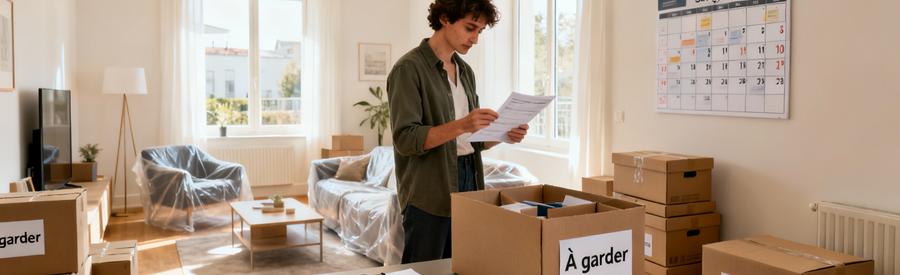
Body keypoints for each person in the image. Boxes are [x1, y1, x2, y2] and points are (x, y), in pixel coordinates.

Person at [387, 0, 529, 264]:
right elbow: (406, 140)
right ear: (444, 19)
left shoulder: (465, 72)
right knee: (424, 269)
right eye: (470, 28)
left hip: (470, 180)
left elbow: (469, 141)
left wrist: (503, 135)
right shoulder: (408, 69)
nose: (474, 39)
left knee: (463, 265)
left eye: (480, 32)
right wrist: (463, 124)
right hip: (429, 188)